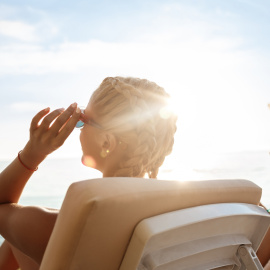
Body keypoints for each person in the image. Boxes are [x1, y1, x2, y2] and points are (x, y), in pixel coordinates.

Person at [0, 76, 178, 269]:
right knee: (14, 240)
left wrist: (33, 153)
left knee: (15, 236)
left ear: (106, 142)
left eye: (83, 122)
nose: (78, 129)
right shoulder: (168, 218)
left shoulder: (57, 229)